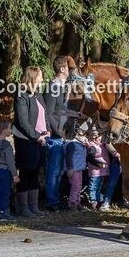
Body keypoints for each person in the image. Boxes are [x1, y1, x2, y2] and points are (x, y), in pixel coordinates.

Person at [12, 66, 48, 216]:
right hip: (26, 140)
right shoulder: (21, 95)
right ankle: (23, 207)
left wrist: (47, 131)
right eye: (40, 76)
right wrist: (36, 136)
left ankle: (34, 206)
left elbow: (44, 115)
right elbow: (23, 121)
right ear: (33, 77)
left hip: (40, 140)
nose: (43, 79)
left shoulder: (38, 95)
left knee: (35, 172)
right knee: (26, 172)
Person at [42, 56, 70, 210]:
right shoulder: (53, 87)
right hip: (55, 135)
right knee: (54, 169)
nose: (71, 70)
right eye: (68, 67)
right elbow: (49, 112)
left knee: (60, 169)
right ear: (62, 68)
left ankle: (57, 197)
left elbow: (62, 109)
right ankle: (51, 200)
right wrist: (58, 131)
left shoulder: (64, 87)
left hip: (64, 133)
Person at [0, 120, 19, 221]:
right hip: (5, 171)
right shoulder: (7, 146)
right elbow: (10, 161)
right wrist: (15, 174)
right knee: (5, 192)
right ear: (3, 131)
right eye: (9, 128)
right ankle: (3, 212)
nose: (11, 130)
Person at [85, 128, 113, 210]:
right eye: (96, 137)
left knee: (99, 186)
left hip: (102, 171)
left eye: (99, 137)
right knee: (93, 185)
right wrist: (100, 164)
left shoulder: (102, 145)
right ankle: (93, 200)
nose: (99, 138)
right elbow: (90, 159)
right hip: (95, 170)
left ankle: (97, 200)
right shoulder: (92, 147)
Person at [64, 121, 88, 210]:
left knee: (79, 186)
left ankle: (78, 202)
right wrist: (70, 168)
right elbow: (69, 157)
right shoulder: (72, 144)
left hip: (79, 168)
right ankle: (72, 203)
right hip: (73, 169)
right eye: (81, 134)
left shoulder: (81, 144)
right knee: (75, 186)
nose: (84, 136)